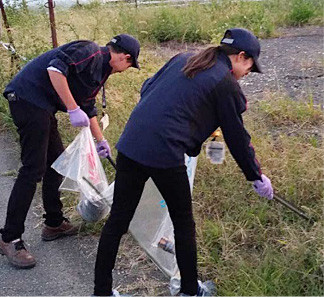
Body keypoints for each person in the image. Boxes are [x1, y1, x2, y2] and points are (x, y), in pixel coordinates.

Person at [93, 28, 273, 296]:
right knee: (183, 223)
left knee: (118, 219)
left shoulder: (184, 58)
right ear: (241, 56)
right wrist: (256, 176)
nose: (248, 73)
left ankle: (102, 292)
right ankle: (190, 290)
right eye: (250, 66)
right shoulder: (225, 83)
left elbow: (148, 87)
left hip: (131, 143)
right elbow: (237, 138)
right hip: (164, 153)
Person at [0, 34, 140, 269]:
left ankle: (54, 223)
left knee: (57, 161)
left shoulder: (100, 72)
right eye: (129, 65)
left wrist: (100, 140)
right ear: (125, 57)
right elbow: (55, 70)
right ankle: (9, 238)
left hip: (42, 106)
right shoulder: (90, 51)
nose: (125, 70)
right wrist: (72, 109)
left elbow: (89, 107)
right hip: (27, 99)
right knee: (33, 169)